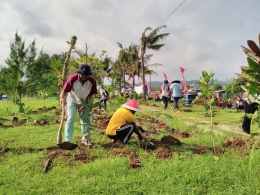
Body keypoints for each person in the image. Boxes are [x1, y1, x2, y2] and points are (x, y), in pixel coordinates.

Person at [60, 64, 97, 146]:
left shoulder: (92, 81)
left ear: (88, 75)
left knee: (85, 120)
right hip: (72, 101)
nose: (84, 76)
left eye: (86, 75)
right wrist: (62, 98)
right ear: (79, 72)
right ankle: (67, 140)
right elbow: (64, 90)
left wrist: (85, 105)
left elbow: (91, 95)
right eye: (82, 74)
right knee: (70, 118)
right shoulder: (72, 78)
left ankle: (85, 140)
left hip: (84, 102)